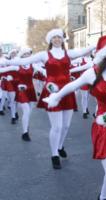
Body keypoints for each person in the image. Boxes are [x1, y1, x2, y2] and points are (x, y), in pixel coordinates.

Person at [43, 35, 106, 200]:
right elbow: (72, 85)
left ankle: (103, 196)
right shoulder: (93, 73)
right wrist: (56, 97)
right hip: (104, 127)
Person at [0, 28, 95, 169]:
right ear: (50, 40)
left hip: (66, 91)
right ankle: (54, 154)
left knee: (66, 125)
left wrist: (98, 44)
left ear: (62, 39)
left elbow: (83, 51)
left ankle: (60, 146)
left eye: (59, 37)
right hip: (52, 92)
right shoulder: (44, 55)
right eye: (54, 37)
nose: (57, 39)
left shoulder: (68, 53)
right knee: (56, 127)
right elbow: (24, 60)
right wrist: (7, 62)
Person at [0, 48, 45, 141]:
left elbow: (42, 70)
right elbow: (6, 68)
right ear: (21, 56)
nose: (27, 56)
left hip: (31, 89)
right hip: (22, 89)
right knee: (26, 110)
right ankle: (25, 133)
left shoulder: (33, 65)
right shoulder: (18, 66)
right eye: (25, 54)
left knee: (28, 113)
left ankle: (26, 126)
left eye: (28, 54)